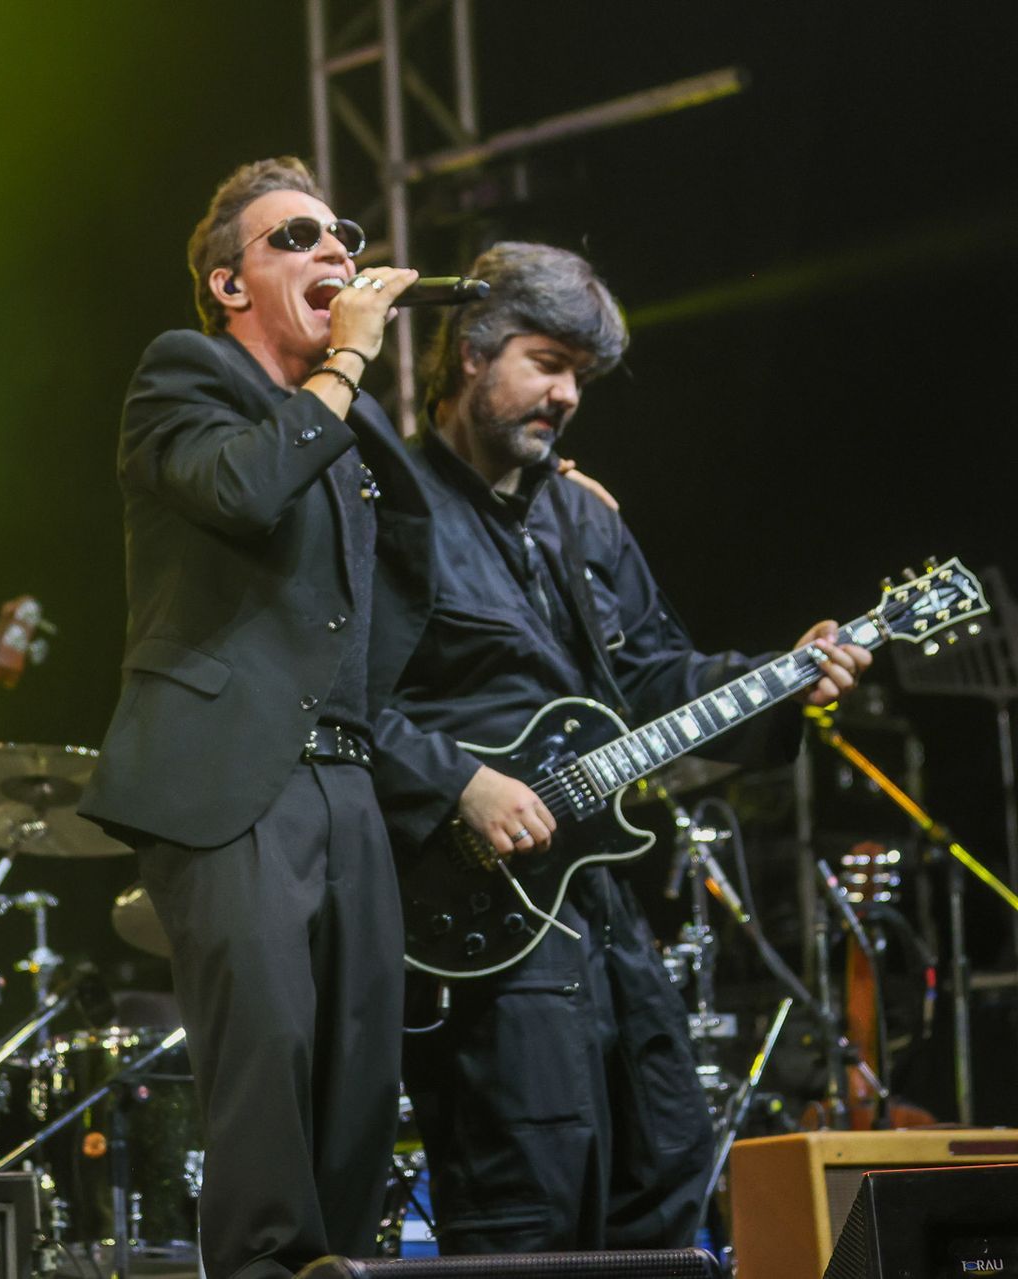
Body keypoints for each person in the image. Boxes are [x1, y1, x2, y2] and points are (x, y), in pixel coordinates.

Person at [367, 241, 871, 1253]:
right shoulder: (391, 511)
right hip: (480, 922)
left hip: (596, 904)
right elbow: (335, 707)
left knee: (670, 1160)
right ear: (472, 351)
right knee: (531, 1198)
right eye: (547, 363)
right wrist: (459, 781)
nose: (566, 396)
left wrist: (788, 673)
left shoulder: (580, 521)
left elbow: (657, 679)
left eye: (581, 378)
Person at [78, 156, 429, 1278]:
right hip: (233, 783)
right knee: (267, 1061)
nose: (337, 253)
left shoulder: (346, 422)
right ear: (232, 284)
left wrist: (555, 492)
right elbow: (239, 491)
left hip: (345, 782)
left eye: (344, 238)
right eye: (300, 238)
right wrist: (349, 359)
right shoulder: (183, 374)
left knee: (362, 1068)